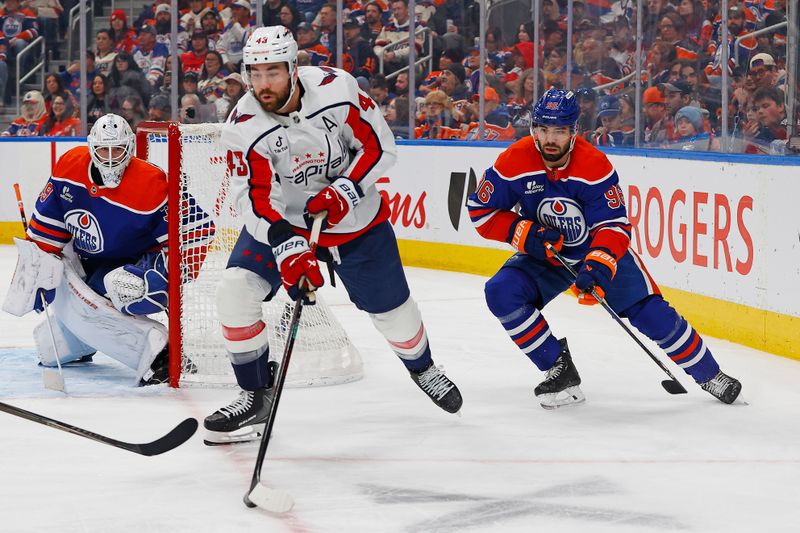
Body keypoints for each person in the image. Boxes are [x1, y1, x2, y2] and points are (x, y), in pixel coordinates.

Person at [204, 26, 463, 444]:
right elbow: (251, 200)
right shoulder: (243, 125)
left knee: (393, 312)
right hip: (285, 221)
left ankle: (423, 367)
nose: (262, 84)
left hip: (355, 218)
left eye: (272, 72)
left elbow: (380, 147)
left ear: (292, 67)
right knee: (234, 290)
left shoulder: (337, 88)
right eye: (254, 73)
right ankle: (254, 395)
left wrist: (345, 189)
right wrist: (286, 244)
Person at [467, 88, 742, 410]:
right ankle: (559, 368)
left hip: (595, 250)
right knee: (501, 292)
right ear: (534, 129)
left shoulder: (594, 165)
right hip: (547, 253)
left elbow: (613, 226)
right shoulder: (514, 160)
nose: (550, 139)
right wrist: (524, 233)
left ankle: (710, 374)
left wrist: (597, 265)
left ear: (574, 132)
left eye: (559, 131)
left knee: (650, 314)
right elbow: (481, 210)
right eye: (543, 130)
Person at [3, 115, 210, 386]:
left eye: (118, 150)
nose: (110, 158)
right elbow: (45, 232)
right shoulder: (69, 168)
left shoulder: (151, 183)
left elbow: (198, 227)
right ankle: (76, 342)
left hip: (135, 263)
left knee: (119, 285)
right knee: (50, 347)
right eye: (103, 149)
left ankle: (162, 353)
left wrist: (171, 272)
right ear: (91, 147)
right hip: (89, 261)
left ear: (130, 149)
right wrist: (39, 271)